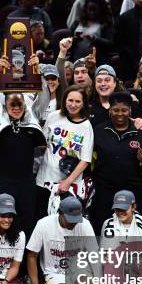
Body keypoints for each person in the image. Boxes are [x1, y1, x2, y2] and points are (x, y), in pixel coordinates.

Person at [0, 55, 49, 237]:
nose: (16, 108)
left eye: (20, 104)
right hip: (4, 182)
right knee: (3, 222)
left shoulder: (32, 117)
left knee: (28, 223)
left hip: (27, 182)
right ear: (4, 106)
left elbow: (44, 99)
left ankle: (26, 262)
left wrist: (39, 72)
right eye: (12, 104)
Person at [90, 92, 142, 233]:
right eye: (116, 110)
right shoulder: (99, 131)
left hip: (132, 191)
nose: (120, 114)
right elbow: (90, 160)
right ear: (110, 110)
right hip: (104, 191)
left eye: (124, 110)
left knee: (131, 231)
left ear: (130, 110)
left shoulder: (140, 132)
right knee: (102, 228)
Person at [35, 85, 93, 218]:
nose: (73, 104)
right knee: (43, 220)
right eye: (70, 100)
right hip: (45, 179)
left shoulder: (86, 126)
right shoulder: (54, 116)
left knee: (68, 224)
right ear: (64, 100)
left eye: (78, 101)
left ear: (84, 103)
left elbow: (85, 160)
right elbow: (43, 143)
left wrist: (67, 182)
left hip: (69, 185)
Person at [68, 0, 115, 65]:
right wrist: (75, 39)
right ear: (85, 8)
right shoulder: (77, 23)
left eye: (95, 10)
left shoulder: (105, 25)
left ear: (101, 10)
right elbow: (68, 41)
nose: (92, 12)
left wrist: (95, 39)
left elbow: (111, 43)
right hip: (75, 61)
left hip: (97, 62)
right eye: (90, 9)